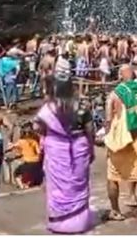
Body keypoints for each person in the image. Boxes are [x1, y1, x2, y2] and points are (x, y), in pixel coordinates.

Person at [34, 72, 96, 234]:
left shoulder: (47, 109)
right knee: (78, 183)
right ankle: (79, 220)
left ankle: (59, 221)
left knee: (58, 186)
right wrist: (91, 149)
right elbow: (90, 130)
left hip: (56, 149)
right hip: (79, 148)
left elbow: (37, 127)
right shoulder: (82, 106)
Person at [105, 64, 137, 230]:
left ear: (120, 76)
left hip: (119, 141)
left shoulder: (114, 95)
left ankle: (115, 210)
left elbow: (107, 120)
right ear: (134, 76)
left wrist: (108, 139)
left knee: (113, 176)